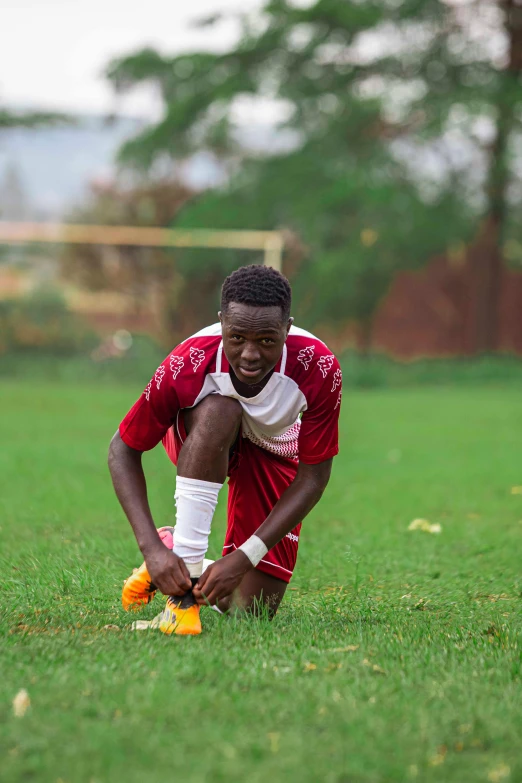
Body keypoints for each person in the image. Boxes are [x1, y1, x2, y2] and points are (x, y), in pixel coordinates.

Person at [108, 264, 342, 635]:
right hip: (202, 436)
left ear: (287, 328)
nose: (250, 354)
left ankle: (182, 548)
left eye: (266, 340)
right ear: (221, 324)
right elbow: (122, 448)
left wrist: (244, 558)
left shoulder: (318, 366)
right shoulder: (190, 360)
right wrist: (152, 549)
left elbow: (314, 475)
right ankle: (179, 605)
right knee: (221, 409)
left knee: (250, 611)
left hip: (272, 449)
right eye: (237, 338)